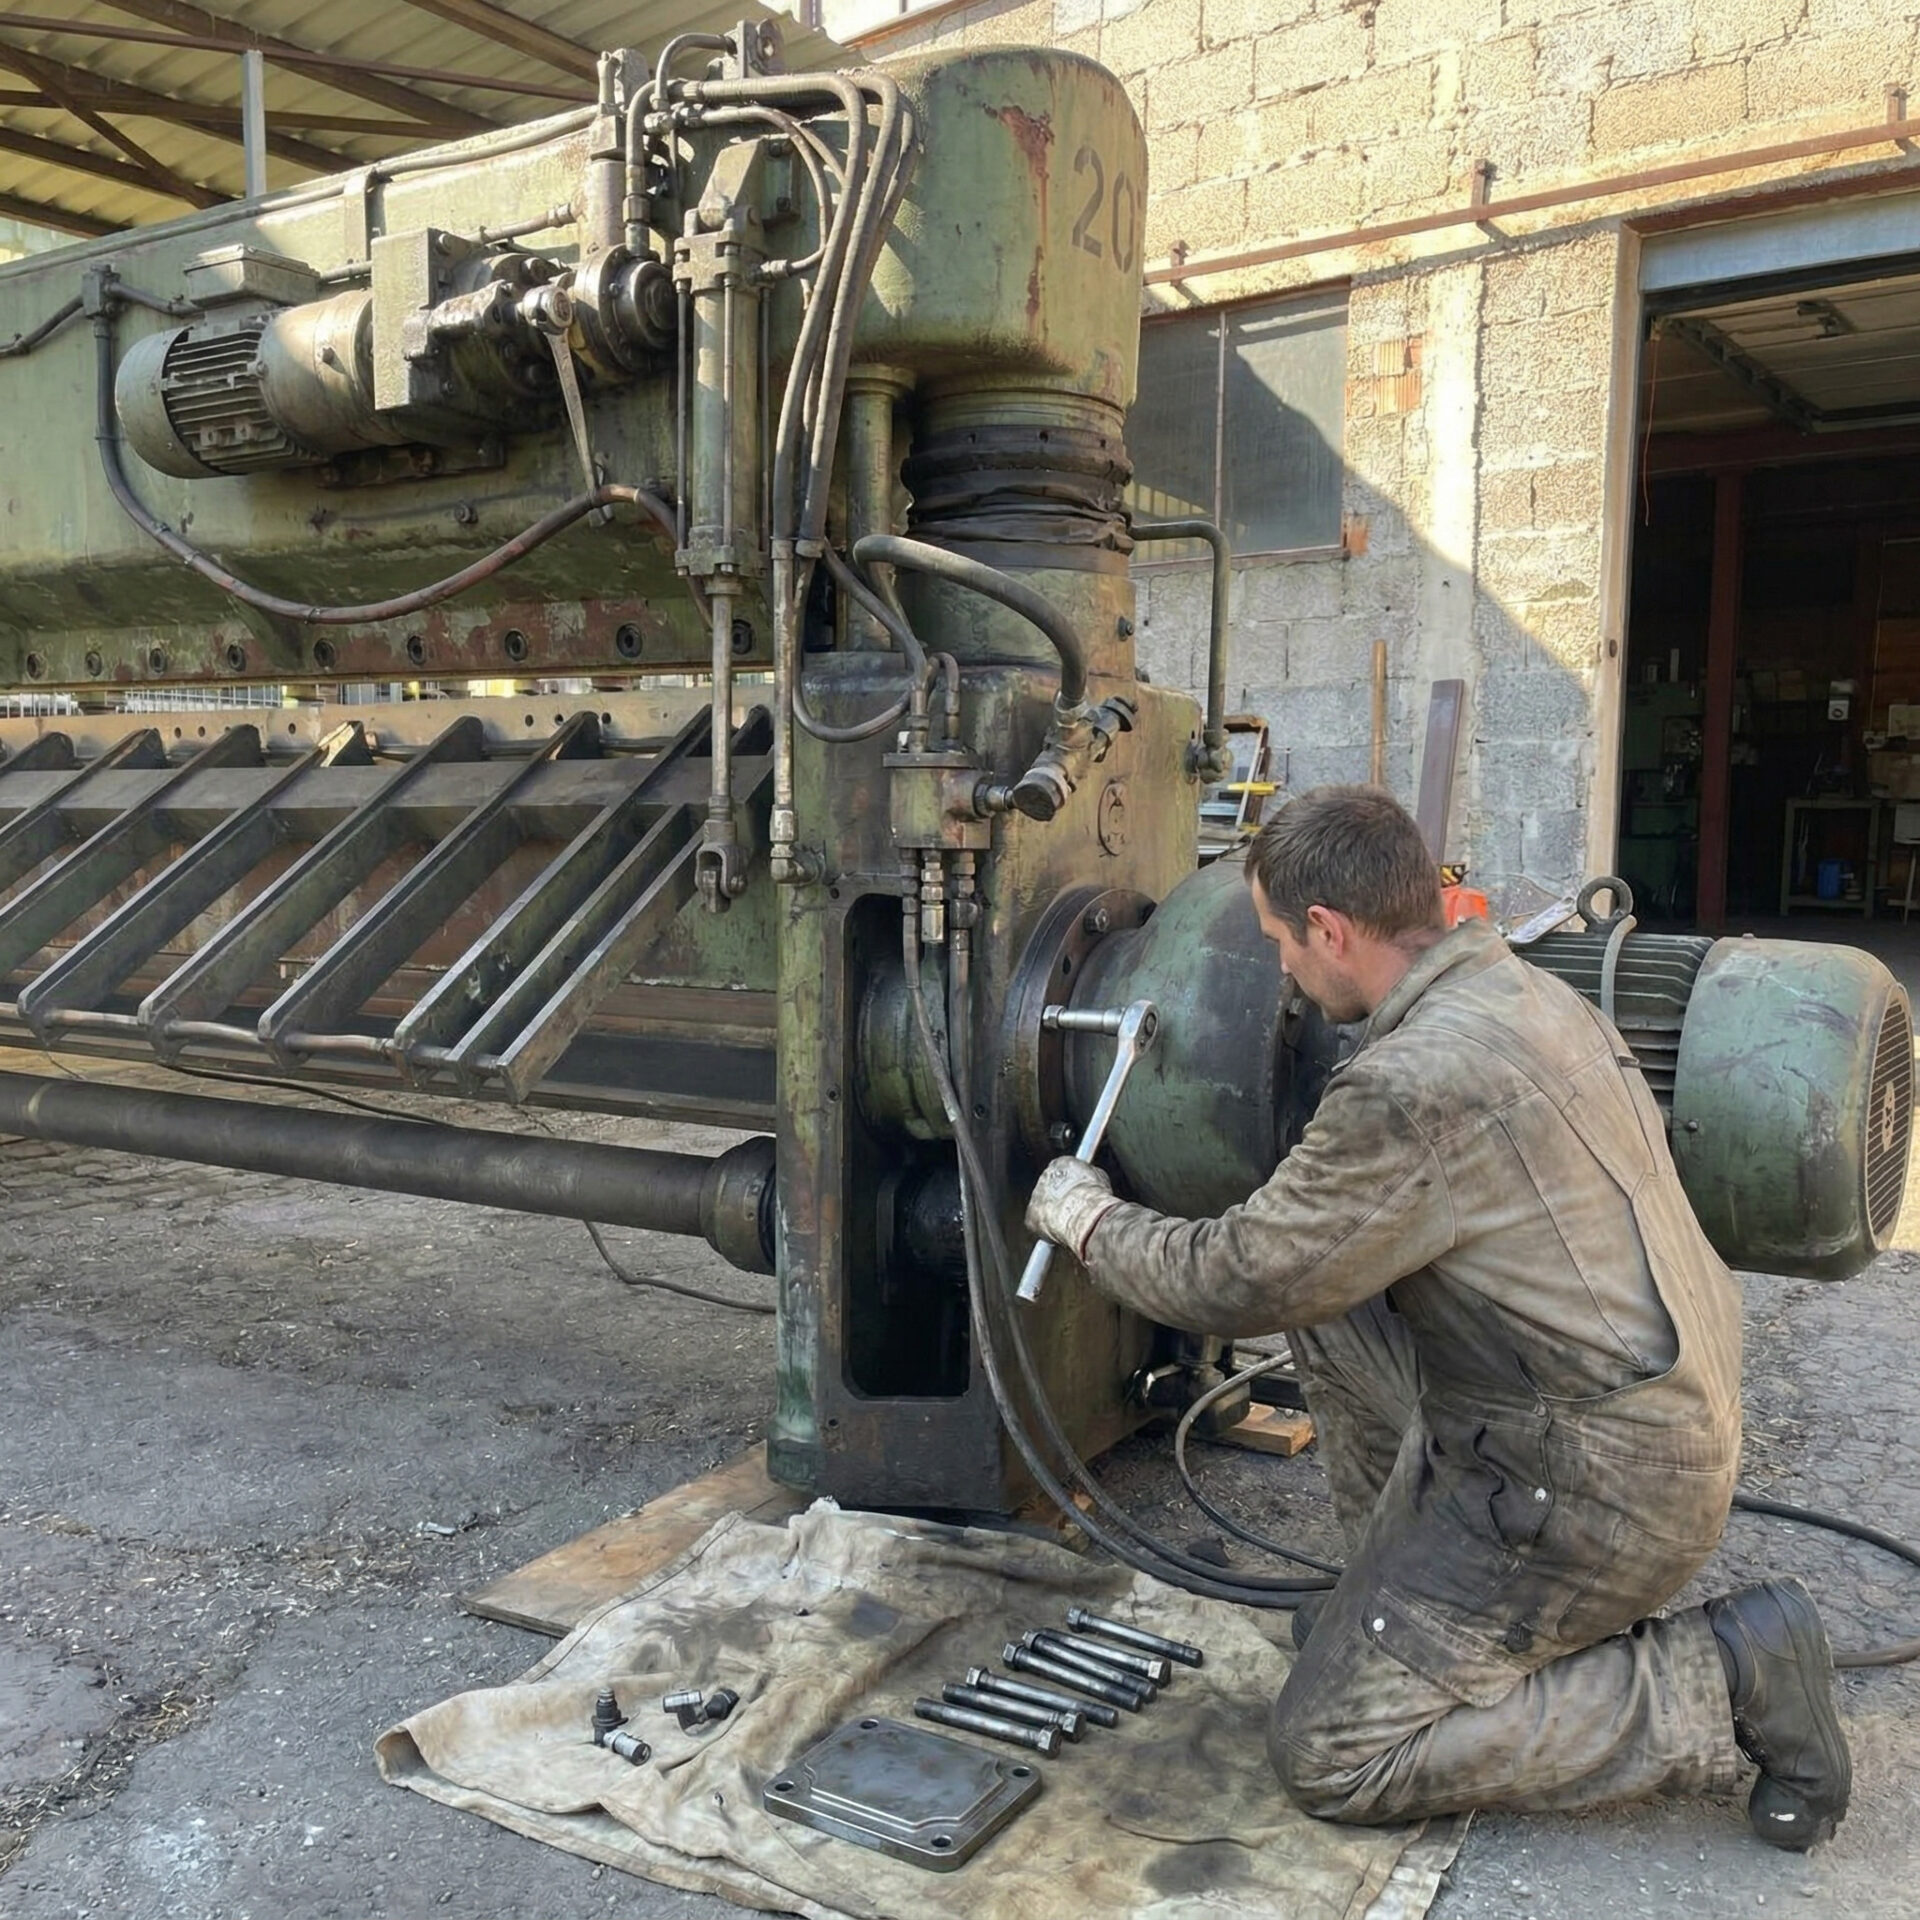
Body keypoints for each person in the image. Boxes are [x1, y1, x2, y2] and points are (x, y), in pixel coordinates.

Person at [1025, 785, 1851, 1849]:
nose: (1277, 966)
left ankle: (1728, 1674)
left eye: (1279, 940)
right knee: (1326, 1285)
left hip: (1595, 1481)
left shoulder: (1413, 1085)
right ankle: (1404, 1605)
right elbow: (1303, 1267)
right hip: (1635, 1403)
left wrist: (1090, 1223)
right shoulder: (1517, 992)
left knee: (1330, 1752)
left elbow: (1240, 1278)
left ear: (1330, 930)